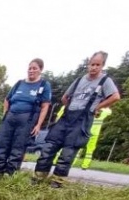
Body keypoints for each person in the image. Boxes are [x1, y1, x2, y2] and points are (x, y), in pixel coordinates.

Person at [33, 51, 120, 188]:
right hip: (67, 117)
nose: (94, 67)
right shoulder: (80, 80)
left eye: (97, 65)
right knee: (48, 148)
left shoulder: (105, 81)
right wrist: (69, 107)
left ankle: (57, 182)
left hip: (82, 121)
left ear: (102, 65)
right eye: (92, 64)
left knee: (68, 153)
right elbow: (64, 97)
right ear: (88, 64)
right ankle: (38, 178)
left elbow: (115, 96)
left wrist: (98, 107)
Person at [0, 58, 51, 180]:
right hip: (10, 117)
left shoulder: (44, 85)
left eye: (35, 68)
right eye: (30, 68)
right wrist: (5, 115)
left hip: (27, 119)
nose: (31, 70)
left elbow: (45, 106)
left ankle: (10, 173)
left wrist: (38, 125)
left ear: (40, 70)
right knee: (2, 143)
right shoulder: (19, 84)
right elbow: (7, 100)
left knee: (18, 147)